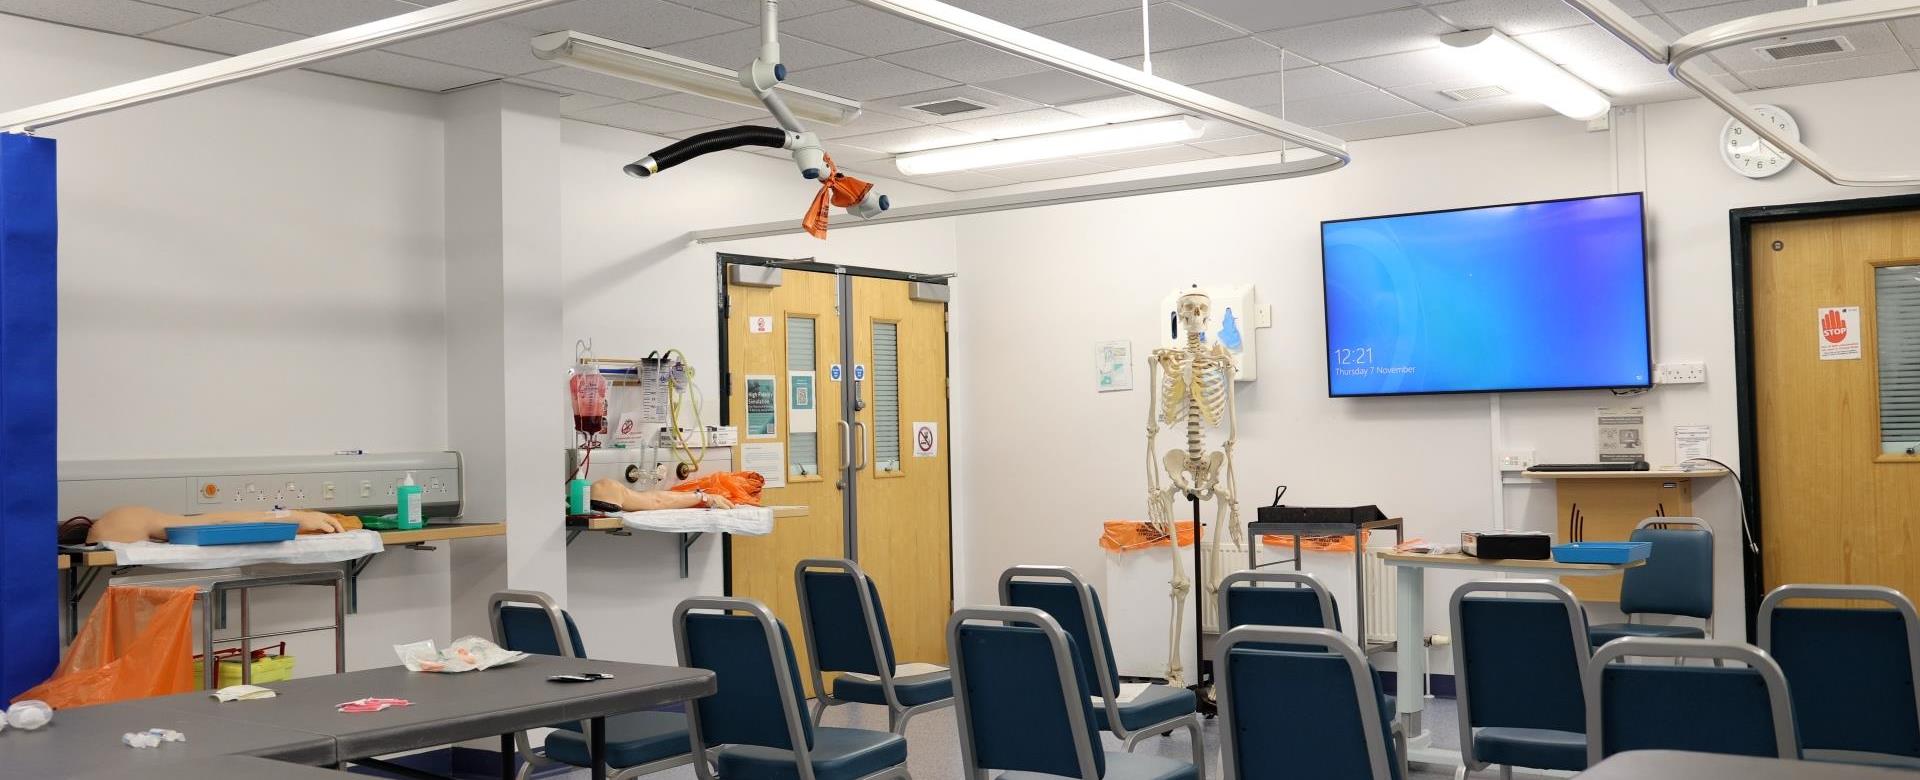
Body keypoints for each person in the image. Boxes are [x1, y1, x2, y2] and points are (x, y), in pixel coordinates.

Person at [78, 506, 358, 544]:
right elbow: (215, 522)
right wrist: (291, 517)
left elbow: (216, 521)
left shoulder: (122, 520)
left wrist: (290, 516)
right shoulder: (123, 521)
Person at [590, 478, 734, 511]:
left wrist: (702, 497)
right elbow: (656, 501)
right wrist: (703, 497)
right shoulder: (605, 488)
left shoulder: (603, 488)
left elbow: (655, 499)